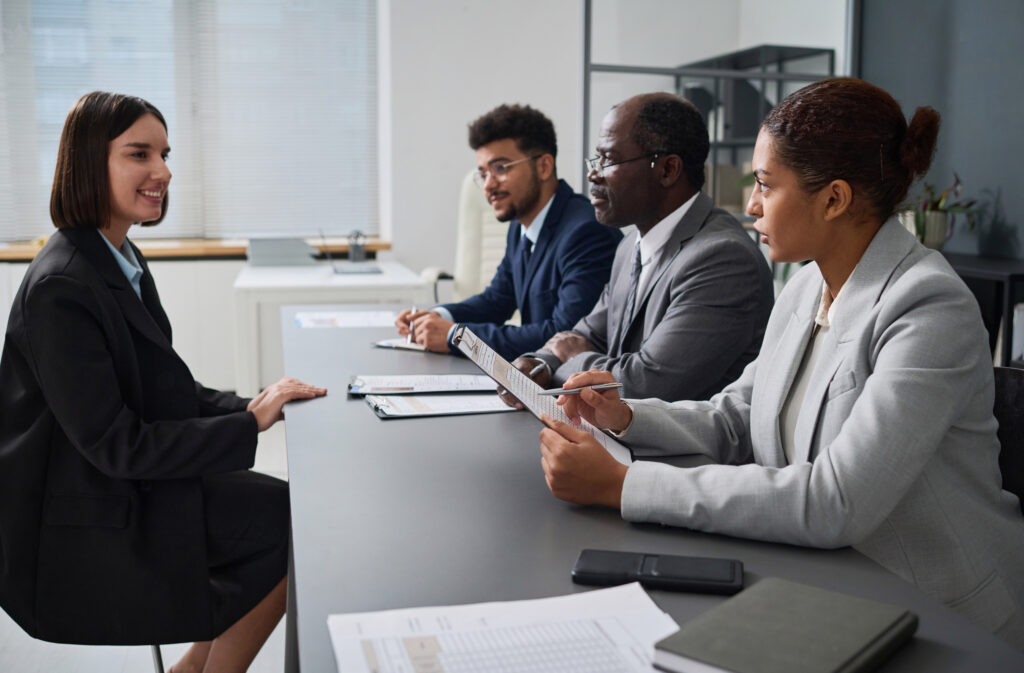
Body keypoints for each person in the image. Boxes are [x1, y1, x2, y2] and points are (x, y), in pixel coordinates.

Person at [537, 78, 1024, 648]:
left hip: (939, 618)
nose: (749, 205)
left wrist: (626, 485)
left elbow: (834, 500)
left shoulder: (929, 306)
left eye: (765, 184)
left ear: (834, 199)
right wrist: (622, 417)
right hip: (828, 581)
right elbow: (737, 415)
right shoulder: (805, 283)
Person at [0, 91, 327, 673]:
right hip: (83, 519)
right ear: (86, 164)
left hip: (120, 487)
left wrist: (253, 403)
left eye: (165, 154)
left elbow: (162, 391)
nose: (164, 171)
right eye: (139, 154)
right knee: (292, 525)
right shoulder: (63, 287)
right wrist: (248, 422)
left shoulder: (118, 256)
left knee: (289, 515)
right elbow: (118, 445)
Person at [503, 93, 773, 405]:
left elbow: (643, 386)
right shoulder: (630, 244)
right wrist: (537, 364)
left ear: (668, 170)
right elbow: (583, 336)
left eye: (609, 160)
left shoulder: (723, 259)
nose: (593, 174)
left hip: (681, 453)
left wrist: (573, 358)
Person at [394, 103, 621, 361]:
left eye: (500, 168)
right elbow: (497, 300)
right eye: (482, 173)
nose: (488, 185)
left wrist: (457, 336)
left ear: (544, 167)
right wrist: (436, 317)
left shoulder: (586, 231)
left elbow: (566, 335)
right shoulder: (520, 226)